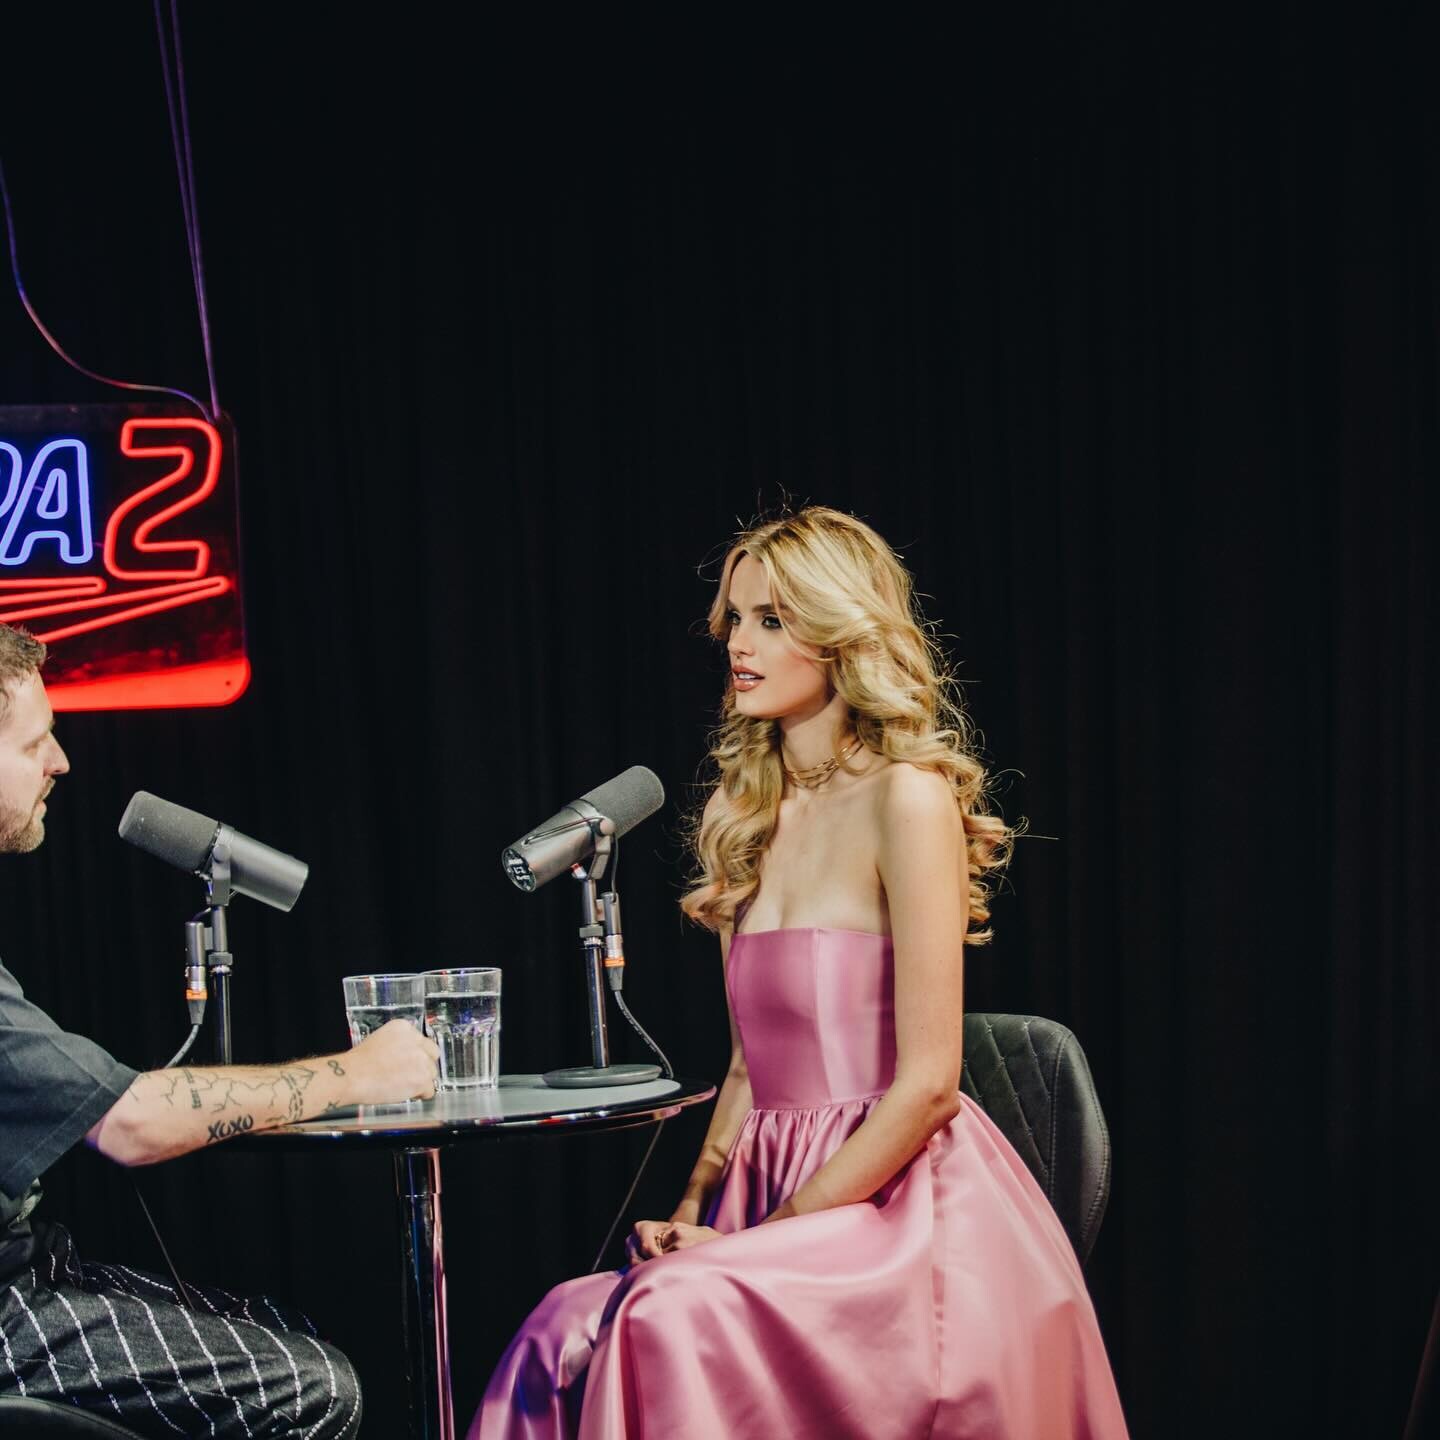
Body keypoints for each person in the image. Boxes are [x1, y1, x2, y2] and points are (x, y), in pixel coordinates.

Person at [470, 506, 1129, 1438]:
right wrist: (690, 1210)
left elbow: (930, 1087)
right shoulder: (746, 813)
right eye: (735, 619)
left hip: (897, 1208)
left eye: (772, 621)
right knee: (557, 1325)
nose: (739, 645)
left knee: (662, 1315)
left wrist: (766, 1234)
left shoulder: (907, 798)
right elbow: (749, 1065)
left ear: (842, 633)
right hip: (765, 1194)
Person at [0, 623, 440, 1438]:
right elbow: (130, 1125)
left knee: (283, 1333)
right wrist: (362, 1073)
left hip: (32, 1272)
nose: (60, 761)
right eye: (34, 743)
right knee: (312, 1388)